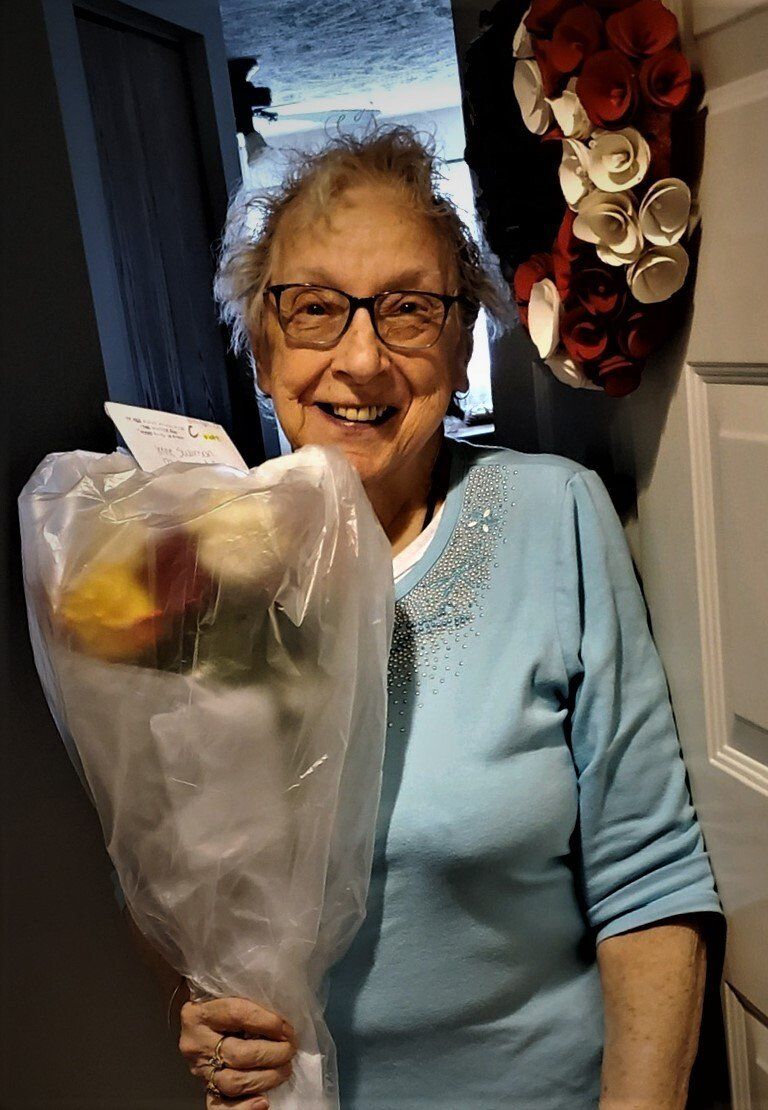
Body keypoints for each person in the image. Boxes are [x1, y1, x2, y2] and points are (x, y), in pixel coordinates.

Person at [129, 125, 724, 1110]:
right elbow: (156, 875)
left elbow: (649, 880)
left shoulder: (554, 518)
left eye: (408, 309)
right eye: (315, 307)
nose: (362, 361)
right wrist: (196, 1006)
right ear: (262, 341)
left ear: (459, 343)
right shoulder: (185, 570)